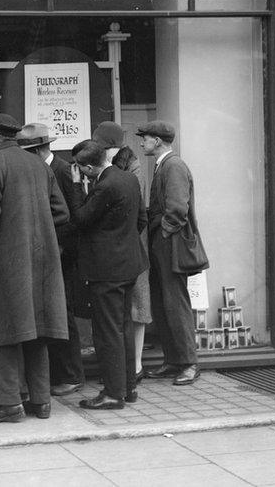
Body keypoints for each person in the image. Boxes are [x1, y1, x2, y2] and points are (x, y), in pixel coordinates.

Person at [0, 113, 69, 423]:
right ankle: (41, 402)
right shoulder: (38, 163)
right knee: (36, 332)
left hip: (4, 261)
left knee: (4, 331)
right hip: (41, 262)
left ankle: (9, 404)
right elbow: (61, 212)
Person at [68, 139, 148, 409]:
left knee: (107, 332)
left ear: (89, 167)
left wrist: (77, 186)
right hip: (128, 265)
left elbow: (80, 218)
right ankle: (127, 388)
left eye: (80, 168)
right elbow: (141, 220)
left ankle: (114, 394)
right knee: (123, 327)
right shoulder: (127, 179)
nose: (78, 171)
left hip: (106, 270)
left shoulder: (104, 186)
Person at [18, 124, 85, 397]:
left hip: (61, 254)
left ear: (36, 149)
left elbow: (72, 215)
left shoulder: (61, 170)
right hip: (49, 253)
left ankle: (72, 375)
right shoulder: (47, 169)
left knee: (64, 315)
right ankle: (62, 373)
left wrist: (58, 247)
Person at [139, 121, 201, 386]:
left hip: (171, 244)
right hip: (164, 243)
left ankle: (189, 363)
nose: (142, 143)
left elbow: (177, 209)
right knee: (165, 304)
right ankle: (174, 361)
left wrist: (164, 233)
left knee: (175, 303)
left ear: (158, 141)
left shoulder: (173, 166)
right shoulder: (164, 164)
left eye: (146, 139)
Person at [92, 121, 153, 381]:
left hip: (130, 244)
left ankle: (135, 365)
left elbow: (135, 208)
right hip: (125, 246)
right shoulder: (126, 165)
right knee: (126, 309)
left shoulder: (131, 167)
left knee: (136, 306)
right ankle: (127, 368)